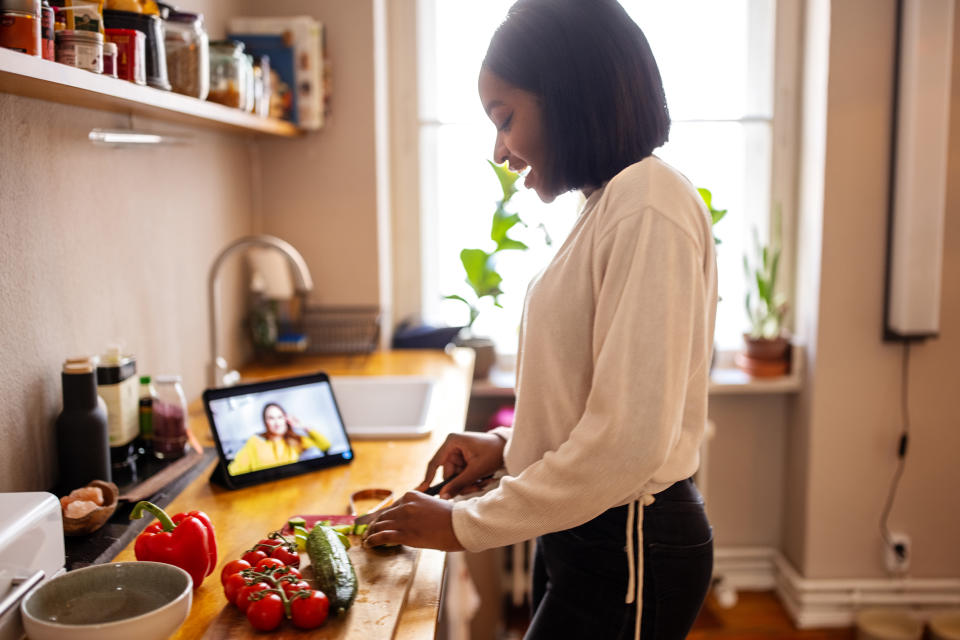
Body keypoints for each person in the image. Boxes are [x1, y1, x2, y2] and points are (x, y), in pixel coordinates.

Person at [364, 1, 718, 638]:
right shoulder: (611, 202)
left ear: (569, 95)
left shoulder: (647, 204)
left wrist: (460, 524)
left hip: (629, 543)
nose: (500, 151)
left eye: (506, 119)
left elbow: (628, 443)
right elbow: (595, 404)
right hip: (595, 534)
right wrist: (506, 447)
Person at [227, 402, 331, 475]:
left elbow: (325, 445)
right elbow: (235, 469)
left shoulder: (295, 440)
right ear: (265, 422)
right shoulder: (255, 441)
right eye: (271, 418)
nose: (276, 423)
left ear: (285, 419)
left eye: (279, 417)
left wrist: (303, 426)